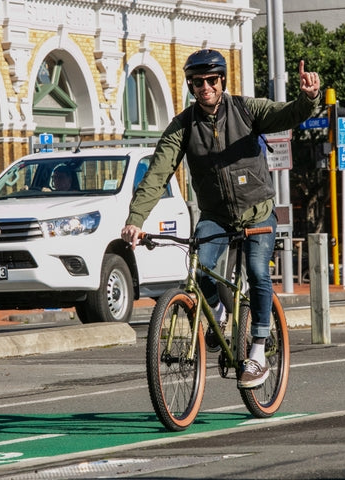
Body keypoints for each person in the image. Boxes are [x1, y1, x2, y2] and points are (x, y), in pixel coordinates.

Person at [121, 48, 322, 389]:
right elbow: (157, 174)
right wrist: (136, 219)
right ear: (191, 86)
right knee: (199, 269)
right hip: (215, 216)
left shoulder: (246, 109)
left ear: (222, 81)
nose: (205, 87)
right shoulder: (182, 126)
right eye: (197, 82)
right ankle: (217, 311)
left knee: (258, 272)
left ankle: (258, 350)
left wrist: (309, 98)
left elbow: (287, 115)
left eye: (211, 80)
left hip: (257, 212)